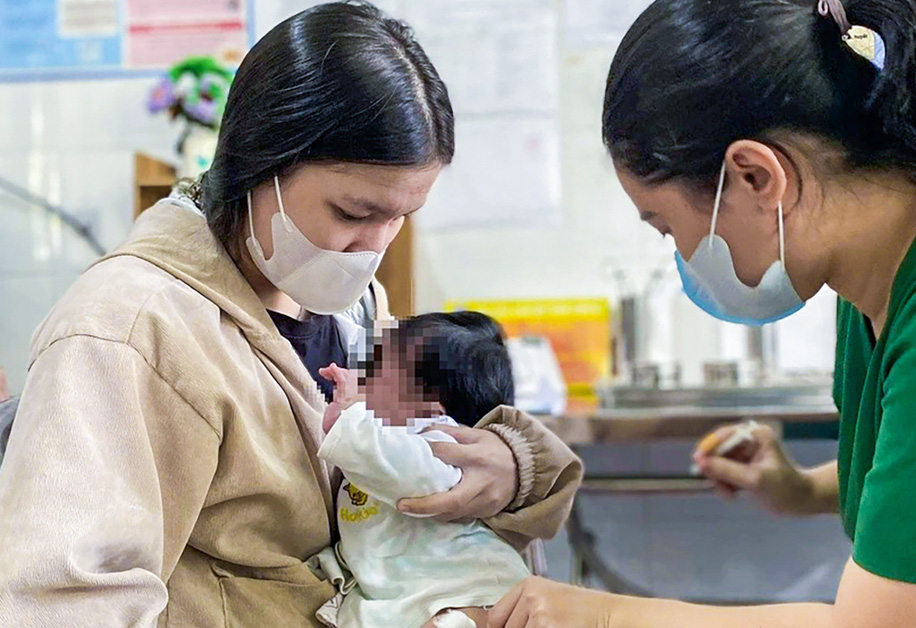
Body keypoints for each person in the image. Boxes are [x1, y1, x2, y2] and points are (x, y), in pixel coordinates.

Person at [486, 0, 916, 626]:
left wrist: (600, 614)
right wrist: (797, 487)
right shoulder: (894, 256)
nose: (680, 255)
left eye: (667, 228)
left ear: (758, 176)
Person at [0, 4, 579, 625]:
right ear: (261, 163)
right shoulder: (130, 328)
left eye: (400, 218)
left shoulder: (352, 305)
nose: (374, 246)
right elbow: (64, 602)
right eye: (354, 214)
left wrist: (509, 462)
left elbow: (400, 466)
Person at [313, 313, 568, 628]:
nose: (363, 377)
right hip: (404, 594)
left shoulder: (444, 442)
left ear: (428, 410)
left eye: (378, 375)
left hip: (465, 592)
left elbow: (410, 473)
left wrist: (351, 416)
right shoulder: (387, 439)